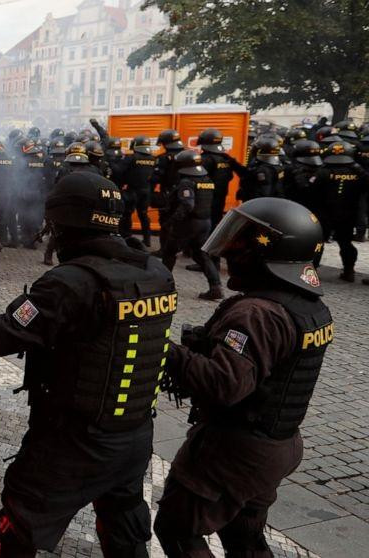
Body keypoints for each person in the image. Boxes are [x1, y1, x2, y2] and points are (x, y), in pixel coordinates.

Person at [0, 172, 176, 558]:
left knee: (14, 534)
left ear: (63, 224)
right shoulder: (156, 273)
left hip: (73, 443)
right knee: (125, 532)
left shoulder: (67, 283)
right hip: (134, 435)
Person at [154, 198, 332, 558]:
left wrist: (164, 351)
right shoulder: (309, 305)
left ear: (268, 252)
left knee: (176, 528)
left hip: (235, 450)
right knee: (244, 537)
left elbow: (226, 384)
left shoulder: (257, 313)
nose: (232, 251)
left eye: (242, 242)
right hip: (277, 443)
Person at [159, 150, 225, 300]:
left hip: (188, 224)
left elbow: (187, 205)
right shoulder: (207, 180)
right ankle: (216, 287)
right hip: (205, 222)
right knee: (201, 255)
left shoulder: (186, 182)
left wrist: (171, 221)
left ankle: (163, 285)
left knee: (169, 252)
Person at [314, 141, 369, 282]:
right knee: (345, 243)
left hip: (324, 213)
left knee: (318, 242)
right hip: (348, 214)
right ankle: (349, 270)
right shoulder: (357, 172)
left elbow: (310, 188)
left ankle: (311, 270)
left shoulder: (323, 171)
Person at [118, 135, 157, 245]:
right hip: (146, 190)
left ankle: (127, 238)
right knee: (144, 215)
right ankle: (147, 240)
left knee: (127, 215)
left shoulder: (132, 157)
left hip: (133, 190)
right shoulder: (152, 158)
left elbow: (120, 170)